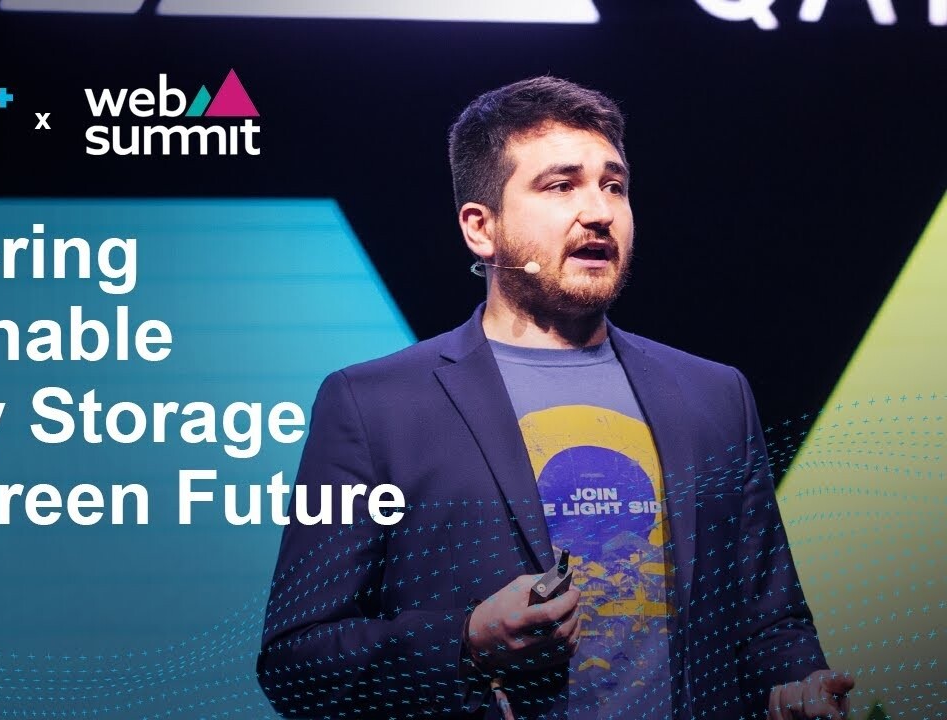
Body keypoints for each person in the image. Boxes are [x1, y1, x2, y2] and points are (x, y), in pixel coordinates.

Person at [255, 76, 853, 720]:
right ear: (481, 228)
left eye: (614, 185)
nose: (599, 211)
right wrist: (465, 643)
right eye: (561, 186)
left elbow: (770, 622)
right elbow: (296, 663)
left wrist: (797, 687)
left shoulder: (714, 396)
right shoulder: (375, 406)